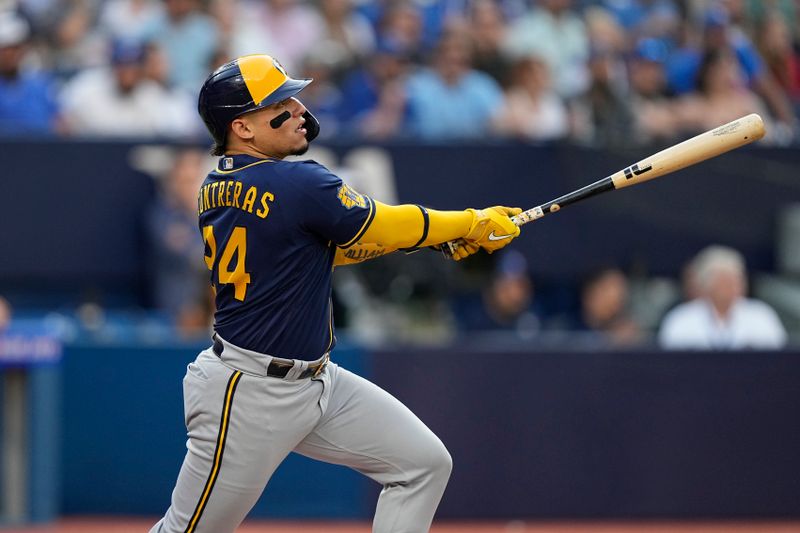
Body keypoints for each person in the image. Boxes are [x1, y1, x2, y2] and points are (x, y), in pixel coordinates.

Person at [150, 54, 521, 533]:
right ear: (242, 127)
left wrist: (431, 240)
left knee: (422, 464)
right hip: (248, 392)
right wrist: (469, 221)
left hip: (317, 382)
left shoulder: (215, 185)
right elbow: (383, 224)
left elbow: (322, 251)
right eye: (280, 102)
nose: (300, 108)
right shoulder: (296, 180)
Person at [658, 245, 787, 350]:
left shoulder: (761, 316)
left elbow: (778, 361)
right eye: (723, 282)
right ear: (707, 285)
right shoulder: (681, 319)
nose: (731, 288)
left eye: (736, 280)